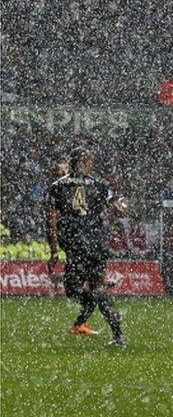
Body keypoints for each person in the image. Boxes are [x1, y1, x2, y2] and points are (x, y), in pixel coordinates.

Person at [46, 147, 128, 346]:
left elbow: (51, 221)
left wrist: (54, 251)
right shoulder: (98, 185)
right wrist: (121, 205)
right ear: (84, 162)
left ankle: (91, 306)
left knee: (72, 288)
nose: (91, 164)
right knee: (97, 287)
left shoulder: (58, 186)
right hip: (96, 244)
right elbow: (119, 203)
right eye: (89, 161)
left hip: (77, 246)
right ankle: (117, 334)